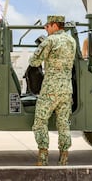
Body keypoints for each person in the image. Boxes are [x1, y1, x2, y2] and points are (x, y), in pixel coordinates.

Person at [29, 15, 76, 166]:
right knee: (63, 123)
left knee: (40, 122)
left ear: (55, 26)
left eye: (47, 25)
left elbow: (34, 61)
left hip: (50, 89)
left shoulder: (50, 40)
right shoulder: (71, 41)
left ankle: (43, 157)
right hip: (66, 89)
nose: (45, 28)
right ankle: (64, 158)